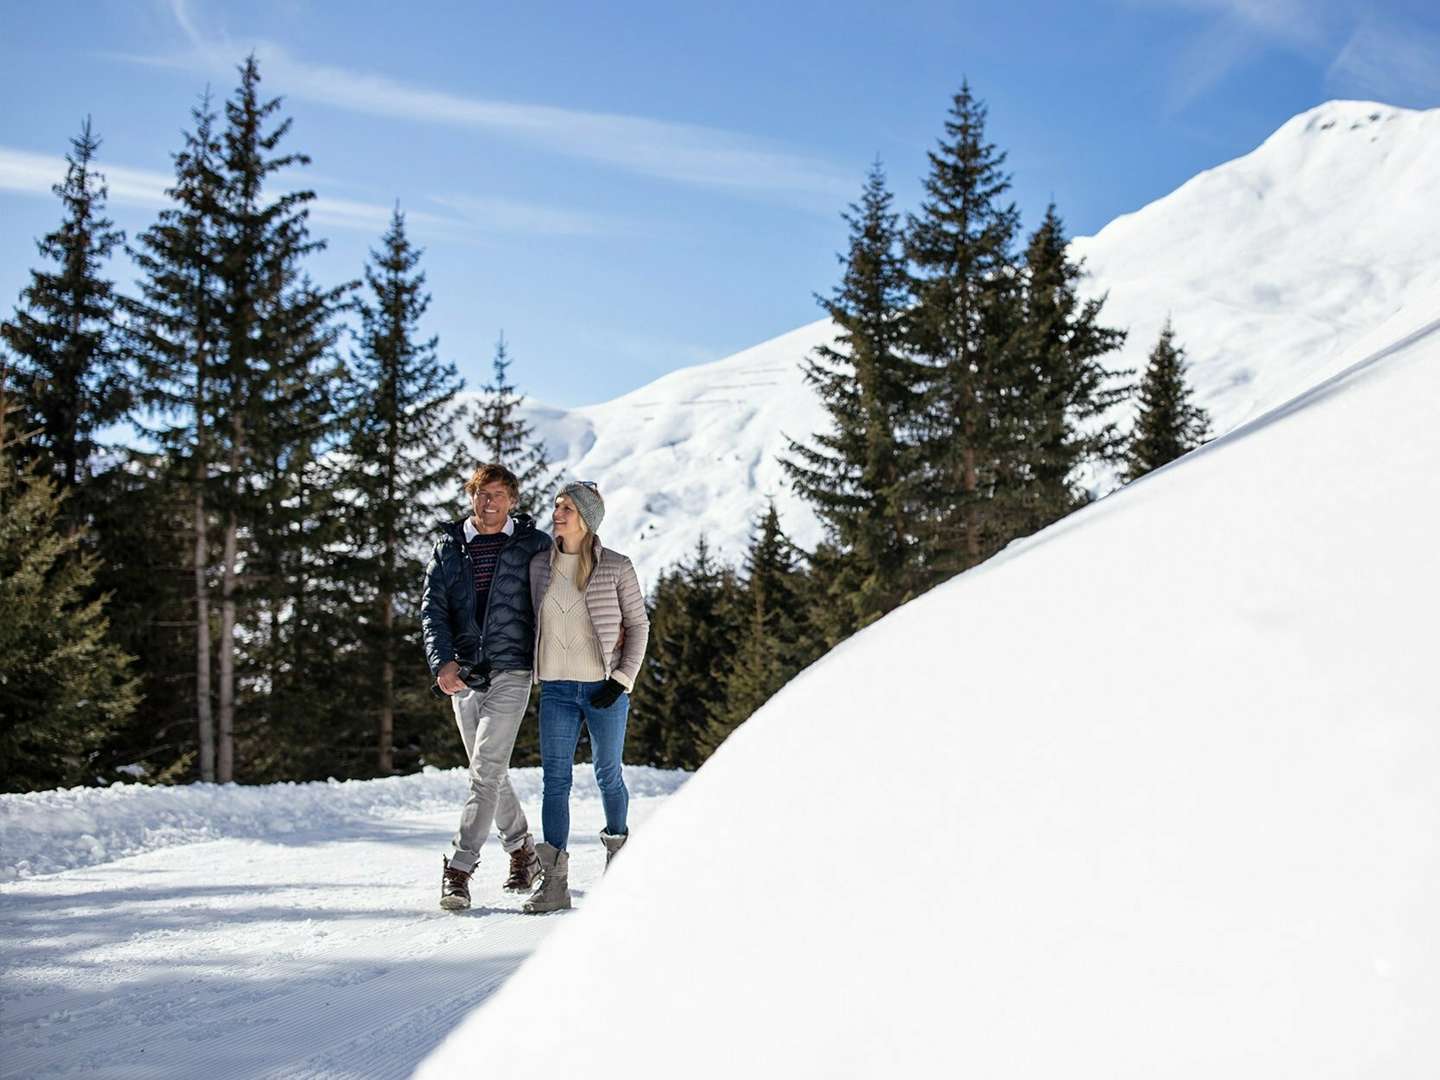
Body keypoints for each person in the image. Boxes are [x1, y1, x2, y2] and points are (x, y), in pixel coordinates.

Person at [421, 463, 552, 911]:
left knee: (485, 771)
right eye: (480, 494)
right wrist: (443, 662)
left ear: (513, 500)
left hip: (513, 668)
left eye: (497, 495)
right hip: (464, 674)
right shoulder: (449, 546)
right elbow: (433, 609)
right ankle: (522, 853)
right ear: (471, 496)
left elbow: (556, 602)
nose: (488, 502)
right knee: (490, 771)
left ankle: (458, 870)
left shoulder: (534, 545)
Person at [523, 481, 649, 914]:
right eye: (557, 505)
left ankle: (619, 867)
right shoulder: (539, 566)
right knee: (554, 782)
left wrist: (621, 680)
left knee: (607, 774)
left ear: (587, 519)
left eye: (569, 508)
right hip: (556, 689)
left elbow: (639, 626)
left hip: (604, 689)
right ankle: (554, 883)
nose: (558, 512)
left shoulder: (616, 566)